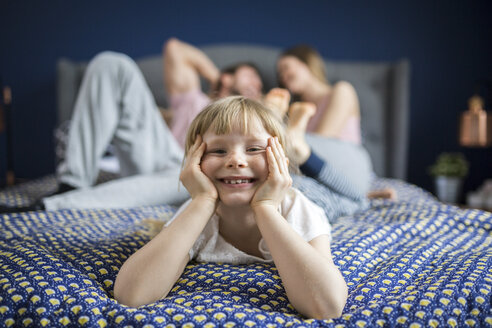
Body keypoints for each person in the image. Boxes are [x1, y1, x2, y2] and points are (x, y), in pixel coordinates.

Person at [114, 96, 348, 319]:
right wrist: (202, 201)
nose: (236, 160)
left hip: (311, 192)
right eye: (218, 150)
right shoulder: (196, 212)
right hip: (248, 184)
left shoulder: (298, 207)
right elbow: (131, 296)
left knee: (348, 200)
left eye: (254, 148)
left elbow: (327, 305)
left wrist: (265, 206)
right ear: (194, 162)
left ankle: (294, 136)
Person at [276, 44, 395, 200]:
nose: (283, 76)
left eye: (286, 67)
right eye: (280, 73)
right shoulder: (295, 109)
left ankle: (357, 194)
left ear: (306, 64)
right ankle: (358, 198)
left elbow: (323, 141)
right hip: (315, 173)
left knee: (290, 145)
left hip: (347, 164)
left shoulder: (341, 91)